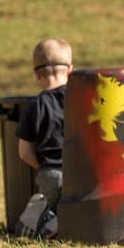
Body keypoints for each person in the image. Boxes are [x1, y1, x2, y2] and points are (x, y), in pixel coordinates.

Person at [16, 37, 73, 237]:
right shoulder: (80, 100)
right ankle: (61, 221)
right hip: (80, 175)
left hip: (51, 174)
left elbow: (24, 152)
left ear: (36, 74)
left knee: (51, 204)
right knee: (75, 209)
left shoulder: (35, 106)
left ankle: (44, 219)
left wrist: (44, 167)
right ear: (70, 70)